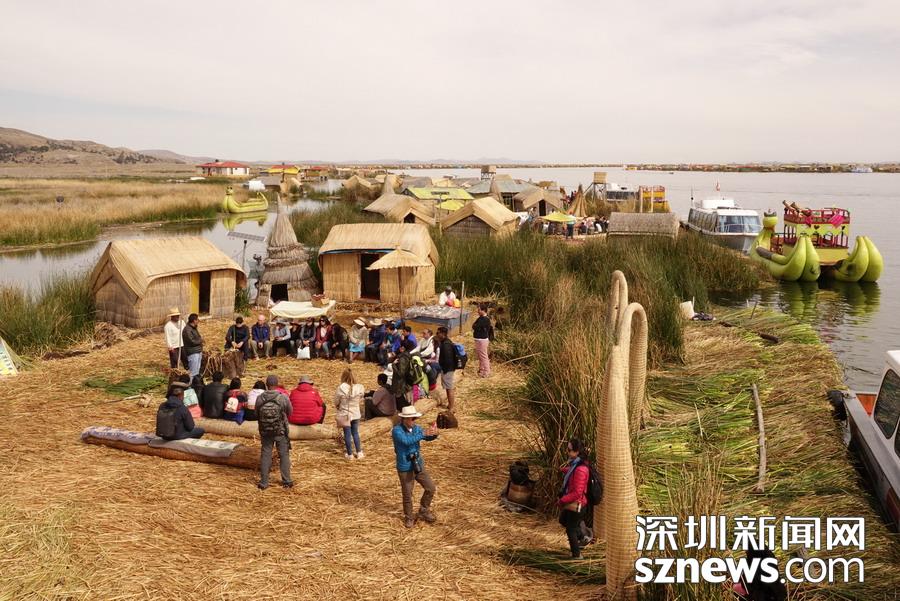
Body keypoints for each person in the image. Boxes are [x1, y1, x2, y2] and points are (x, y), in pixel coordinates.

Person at [391, 405, 439, 528]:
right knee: (407, 494)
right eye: (412, 418)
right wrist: (423, 434)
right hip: (405, 467)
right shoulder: (397, 431)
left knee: (430, 488)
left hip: (418, 464)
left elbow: (427, 437)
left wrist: (434, 433)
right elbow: (407, 441)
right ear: (405, 419)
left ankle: (424, 510)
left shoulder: (417, 428)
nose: (414, 421)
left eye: (415, 418)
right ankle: (409, 517)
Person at [256, 375, 293, 490]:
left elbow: (256, 413)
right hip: (280, 431)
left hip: (265, 431)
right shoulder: (283, 397)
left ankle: (264, 482)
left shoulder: (260, 398)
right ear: (277, 384)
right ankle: (286, 481)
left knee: (266, 454)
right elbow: (290, 412)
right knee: (284, 455)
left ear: (266, 385)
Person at [557, 438, 590, 559]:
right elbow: (572, 472)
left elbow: (577, 493)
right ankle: (582, 537)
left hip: (577, 504)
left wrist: (562, 501)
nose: (567, 451)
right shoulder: (576, 464)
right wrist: (564, 470)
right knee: (563, 520)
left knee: (570, 529)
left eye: (569, 450)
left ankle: (577, 555)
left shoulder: (581, 469)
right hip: (573, 502)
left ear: (576, 452)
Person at [335, 369, 365, 460]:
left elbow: (336, 401)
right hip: (356, 413)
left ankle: (350, 454)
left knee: (347, 434)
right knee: (355, 433)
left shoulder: (340, 388)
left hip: (345, 414)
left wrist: (339, 406)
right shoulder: (360, 387)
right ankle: (359, 452)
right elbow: (361, 398)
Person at [436, 326, 458, 412]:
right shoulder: (445, 342)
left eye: (438, 333)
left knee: (449, 388)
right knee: (448, 388)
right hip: (448, 368)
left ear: (443, 334)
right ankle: (450, 405)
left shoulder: (446, 345)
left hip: (448, 369)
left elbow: (448, 359)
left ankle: (452, 407)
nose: (437, 335)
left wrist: (445, 370)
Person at [390, 339, 415, 410]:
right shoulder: (408, 355)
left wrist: (393, 365)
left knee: (400, 399)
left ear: (403, 348)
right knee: (405, 399)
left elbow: (400, 373)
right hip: (406, 381)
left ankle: (406, 412)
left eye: (401, 346)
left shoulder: (402, 358)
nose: (399, 348)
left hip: (400, 383)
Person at [472, 304, 494, 378]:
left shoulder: (485, 319)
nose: (478, 311)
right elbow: (473, 326)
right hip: (478, 339)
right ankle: (481, 370)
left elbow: (475, 326)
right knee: (480, 355)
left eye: (479, 310)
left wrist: (476, 326)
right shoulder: (480, 318)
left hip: (482, 340)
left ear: (483, 310)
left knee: (483, 356)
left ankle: (487, 371)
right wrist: (475, 326)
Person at [182, 313, 203, 377]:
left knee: (197, 371)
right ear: (194, 320)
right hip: (193, 353)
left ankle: (196, 382)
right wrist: (201, 341)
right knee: (193, 372)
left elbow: (198, 337)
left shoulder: (194, 328)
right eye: (197, 319)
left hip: (197, 351)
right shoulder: (187, 330)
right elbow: (192, 341)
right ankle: (191, 382)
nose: (198, 321)